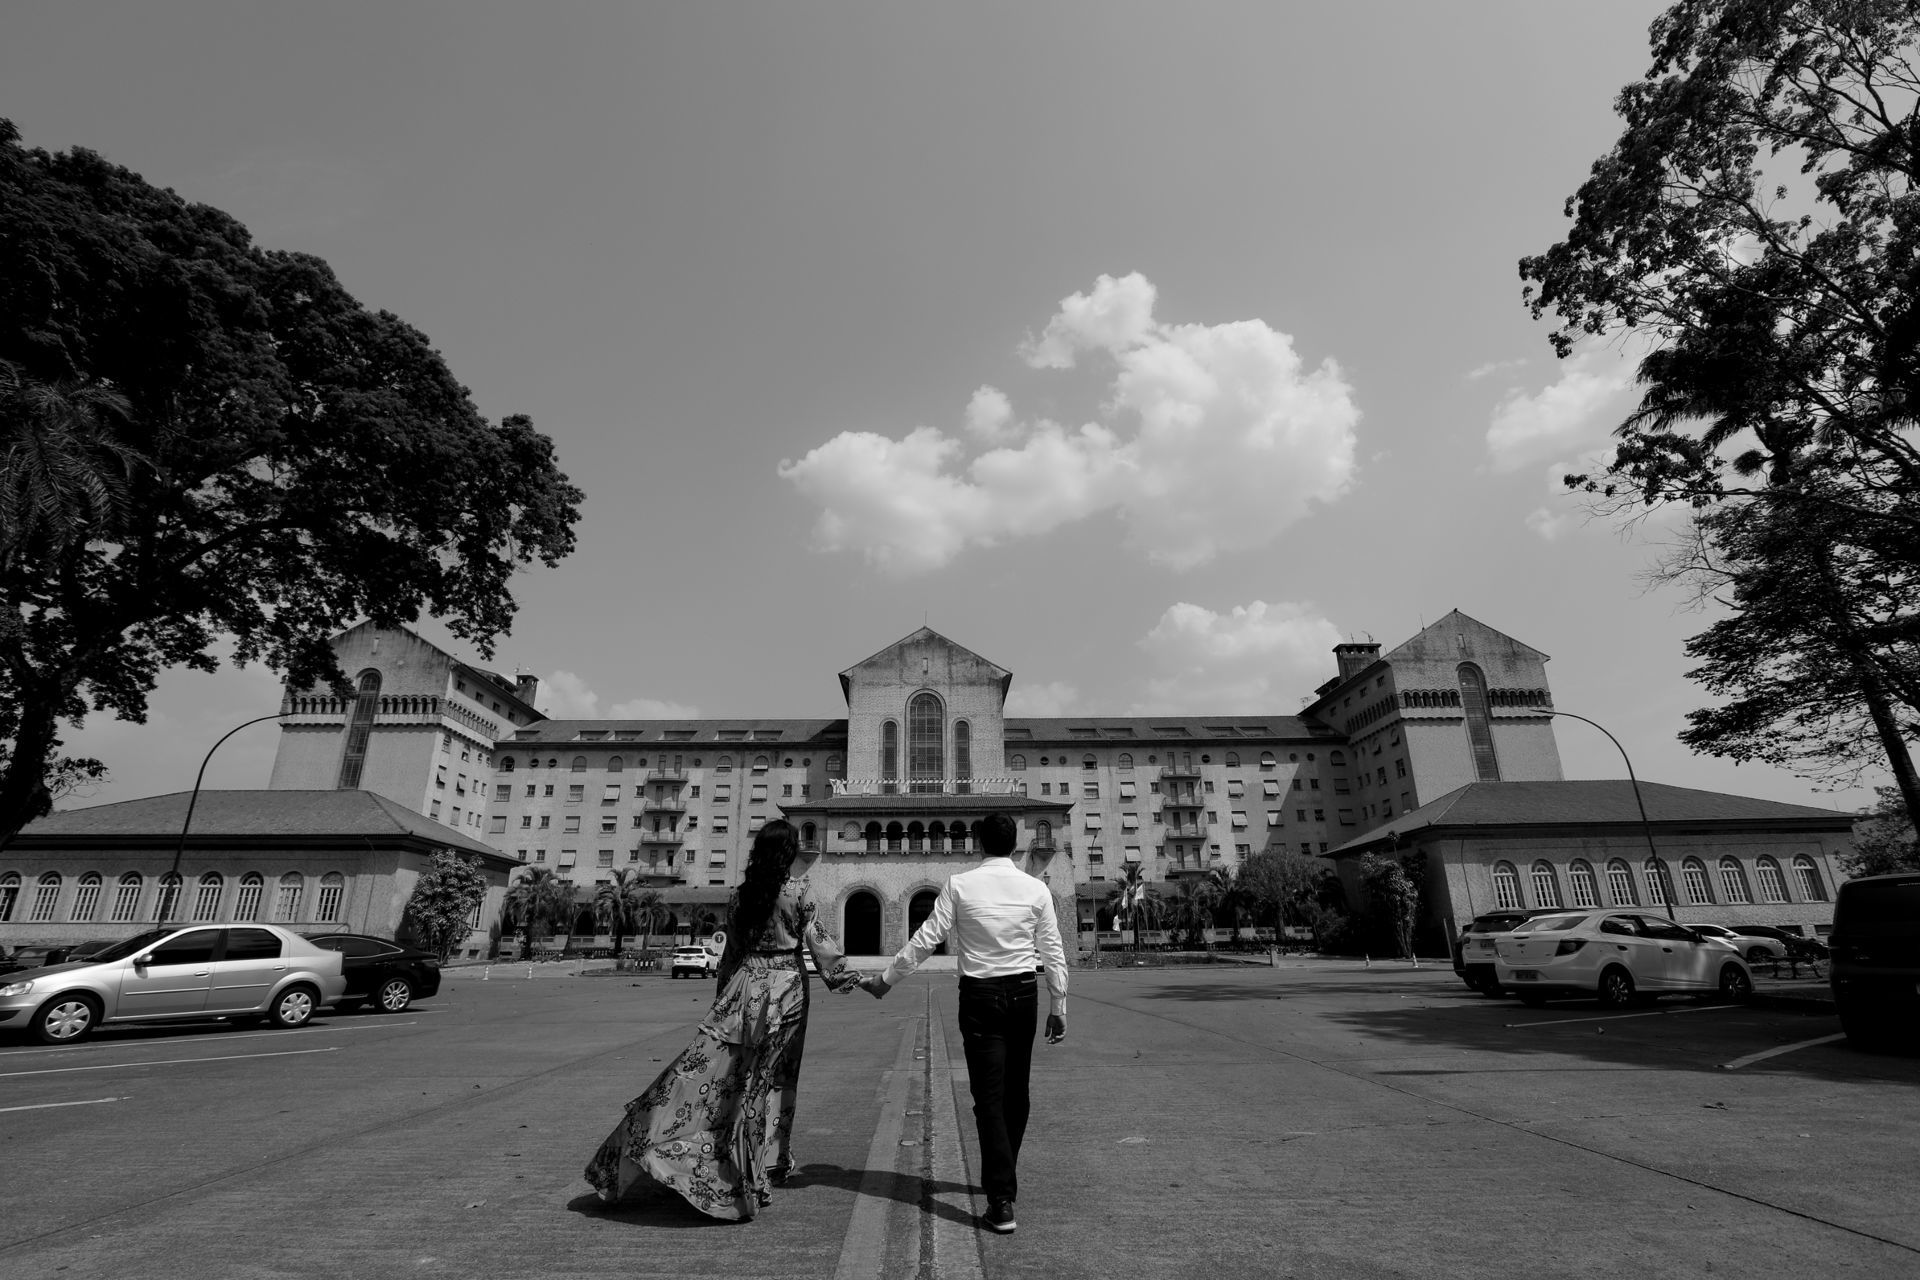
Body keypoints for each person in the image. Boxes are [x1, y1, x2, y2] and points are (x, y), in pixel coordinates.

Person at [584, 819, 864, 1219]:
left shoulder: (739, 896)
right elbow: (818, 942)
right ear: (787, 853)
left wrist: (722, 1003)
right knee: (772, 1079)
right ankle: (757, 1169)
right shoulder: (798, 892)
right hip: (785, 991)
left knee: (721, 1075)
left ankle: (712, 1150)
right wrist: (846, 977)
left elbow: (731, 955)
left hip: (742, 988)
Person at [862, 811, 1068, 1235]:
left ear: (979, 844)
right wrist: (1059, 1003)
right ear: (1016, 845)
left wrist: (888, 979)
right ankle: (1003, 1180)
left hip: (980, 998)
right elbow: (1052, 948)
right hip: (1024, 995)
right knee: (1016, 1092)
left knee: (989, 1097)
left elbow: (927, 937)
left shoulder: (959, 885)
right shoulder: (1035, 888)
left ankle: (1001, 1198)